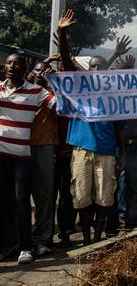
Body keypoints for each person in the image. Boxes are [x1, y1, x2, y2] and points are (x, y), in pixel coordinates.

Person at [57, 10, 131, 245]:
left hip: (107, 152)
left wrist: (124, 153)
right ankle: (87, 240)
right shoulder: (79, 89)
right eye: (94, 67)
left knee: (104, 200)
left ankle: (98, 239)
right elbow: (67, 62)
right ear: (89, 71)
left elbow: (120, 128)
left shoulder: (113, 96)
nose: (98, 71)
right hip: (81, 151)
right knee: (81, 199)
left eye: (102, 68)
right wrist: (61, 32)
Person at [0, 54, 55, 264]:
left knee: (21, 203)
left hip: (21, 157)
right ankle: (6, 245)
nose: (12, 66)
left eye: (17, 64)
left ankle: (25, 247)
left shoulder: (37, 92)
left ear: (26, 68)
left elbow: (60, 105)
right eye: (9, 63)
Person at [27, 61, 58, 256]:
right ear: (31, 72)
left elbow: (62, 106)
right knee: (18, 197)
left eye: (45, 71)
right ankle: (17, 239)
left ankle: (41, 239)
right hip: (18, 145)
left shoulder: (52, 93)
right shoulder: (21, 90)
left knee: (44, 196)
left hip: (45, 145)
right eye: (38, 70)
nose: (41, 73)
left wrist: (52, 82)